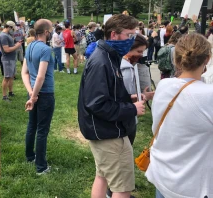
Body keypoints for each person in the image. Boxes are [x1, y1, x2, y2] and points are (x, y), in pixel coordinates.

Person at [78, 14, 146, 198]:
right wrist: (132, 109)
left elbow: (106, 94)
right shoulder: (102, 60)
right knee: (122, 188)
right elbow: (96, 104)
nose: (132, 40)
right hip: (108, 132)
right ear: (114, 34)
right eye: (129, 35)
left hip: (106, 130)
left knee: (103, 176)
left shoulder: (109, 56)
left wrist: (129, 98)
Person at [146, 33, 213, 198]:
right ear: (207, 59)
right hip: (192, 186)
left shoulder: (163, 85)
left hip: (163, 175)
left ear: (176, 59)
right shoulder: (208, 96)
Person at [21, 19, 55, 175]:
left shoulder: (30, 46)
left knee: (32, 126)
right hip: (45, 94)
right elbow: (40, 77)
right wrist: (33, 96)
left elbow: (24, 73)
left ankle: (30, 157)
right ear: (47, 32)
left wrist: (31, 93)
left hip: (34, 93)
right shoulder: (45, 49)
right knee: (42, 130)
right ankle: (41, 167)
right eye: (52, 29)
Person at [121, 34, 154, 144]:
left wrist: (143, 95)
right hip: (124, 120)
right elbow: (122, 96)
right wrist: (135, 99)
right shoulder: (125, 69)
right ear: (129, 48)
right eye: (139, 51)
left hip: (129, 118)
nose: (141, 55)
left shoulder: (131, 65)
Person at [0, 21, 23, 101]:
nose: (13, 30)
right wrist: (17, 46)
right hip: (7, 60)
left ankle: (10, 92)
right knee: (7, 77)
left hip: (12, 59)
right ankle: (4, 96)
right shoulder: (3, 36)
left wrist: (15, 43)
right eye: (13, 28)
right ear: (9, 27)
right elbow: (7, 50)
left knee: (11, 76)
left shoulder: (7, 35)